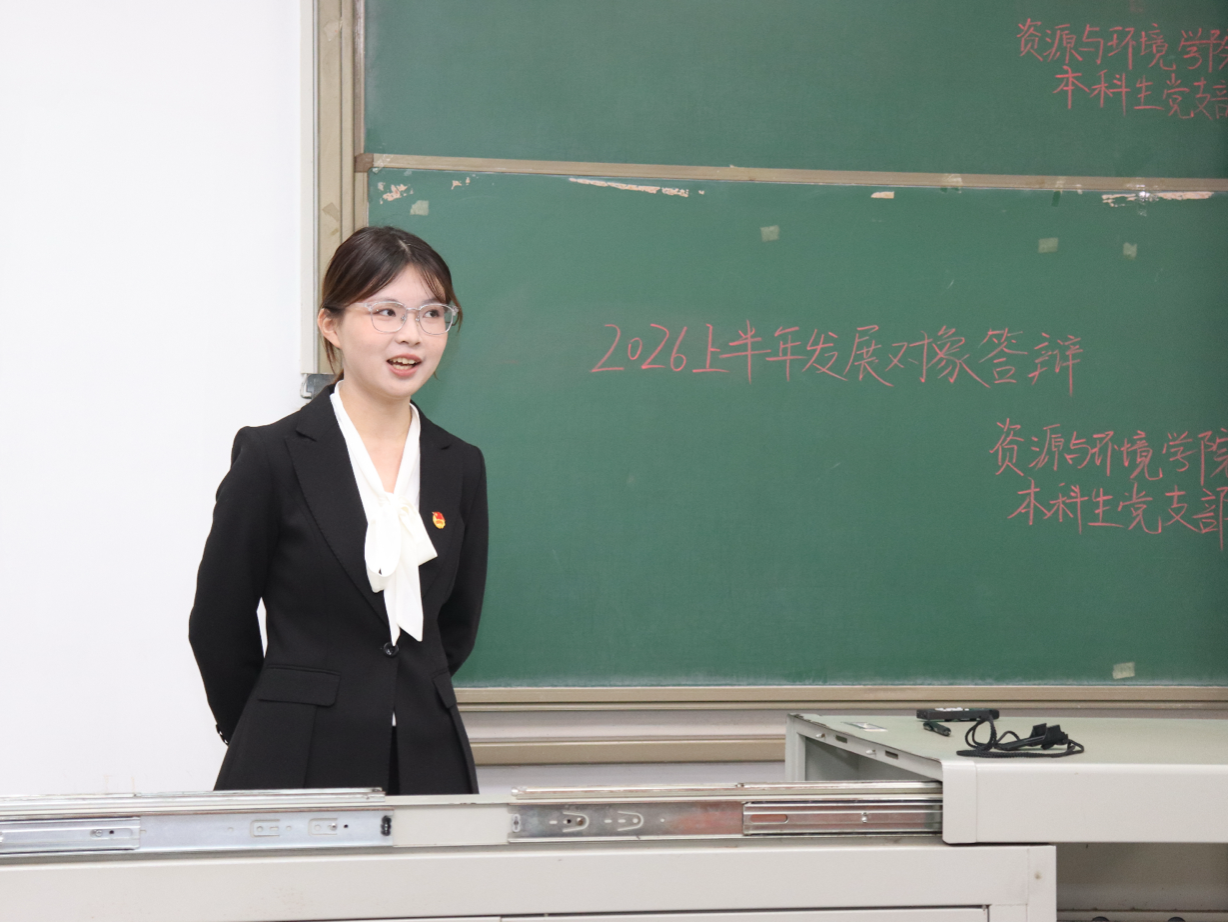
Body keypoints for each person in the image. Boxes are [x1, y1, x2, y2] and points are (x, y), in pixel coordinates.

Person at [189, 226, 487, 795]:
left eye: (432, 314)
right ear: (331, 324)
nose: (412, 334)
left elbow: (457, 625)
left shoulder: (460, 464)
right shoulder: (272, 456)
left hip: (429, 759)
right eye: (386, 312)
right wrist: (266, 728)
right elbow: (218, 624)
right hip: (295, 757)